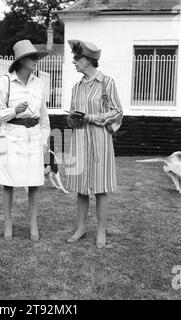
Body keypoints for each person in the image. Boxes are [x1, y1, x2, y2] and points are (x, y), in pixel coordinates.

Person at [65, 40, 123, 248]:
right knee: (81, 188)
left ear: (88, 60)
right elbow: (73, 115)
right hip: (80, 140)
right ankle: (81, 228)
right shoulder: (76, 87)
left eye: (77, 58)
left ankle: (101, 230)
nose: (74, 62)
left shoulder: (107, 83)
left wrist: (91, 117)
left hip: (99, 140)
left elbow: (117, 111)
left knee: (100, 188)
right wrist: (72, 119)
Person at [0, 39, 50, 241]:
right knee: (8, 182)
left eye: (35, 57)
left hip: (33, 136)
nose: (35, 60)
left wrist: (44, 143)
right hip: (12, 135)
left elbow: (44, 118)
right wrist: (13, 110)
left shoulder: (40, 83)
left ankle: (33, 223)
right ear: (21, 60)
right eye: (31, 57)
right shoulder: (5, 81)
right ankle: (8, 223)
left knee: (34, 182)